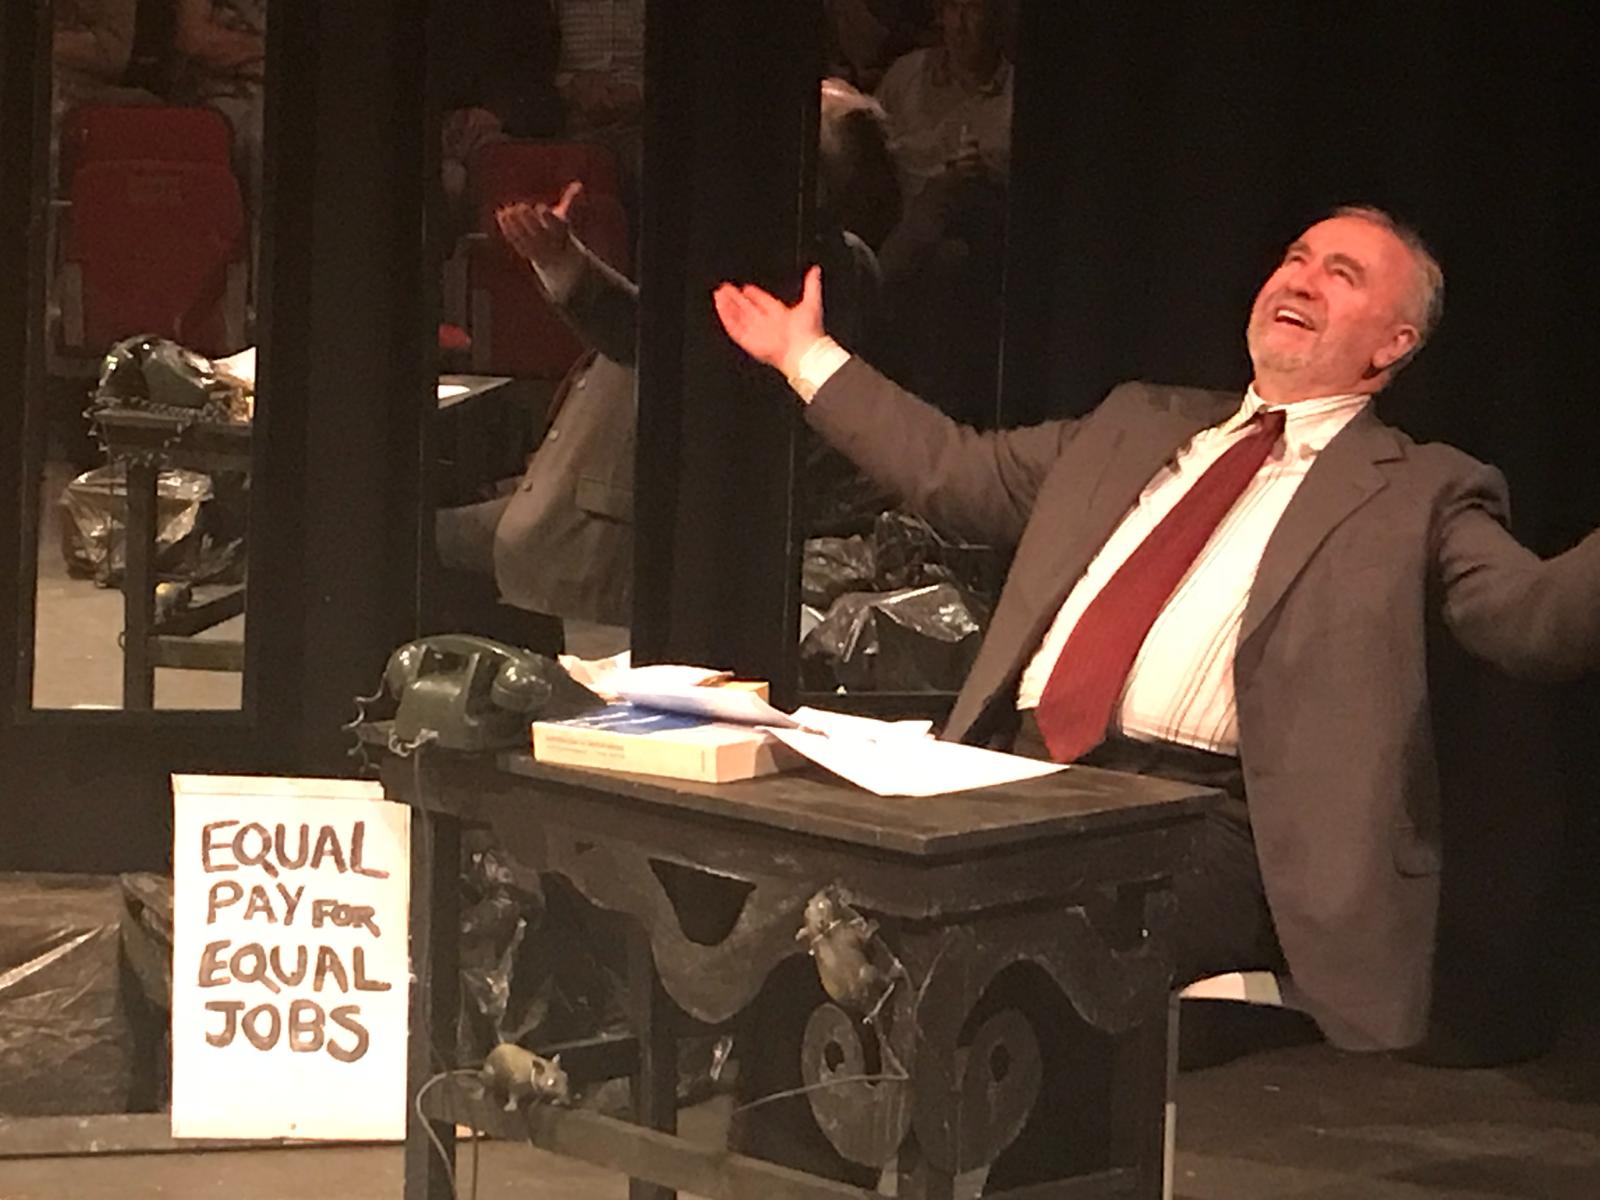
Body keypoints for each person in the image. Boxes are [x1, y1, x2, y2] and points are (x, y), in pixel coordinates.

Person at [713, 205, 1600, 1063]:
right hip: (1015, 772)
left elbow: (1535, 623)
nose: (1301, 279)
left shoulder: (1422, 492)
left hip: (1199, 819)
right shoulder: (1136, 422)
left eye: (1343, 274)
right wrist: (805, 354)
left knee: (1014, 936)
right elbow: (955, 470)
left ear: (1394, 344)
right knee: (797, 883)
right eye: (1296, 258)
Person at [436, 78, 896, 659]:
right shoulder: (746, 245)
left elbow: (656, 346)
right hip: (570, 523)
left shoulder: (815, 266)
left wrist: (563, 262)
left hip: (604, 550)